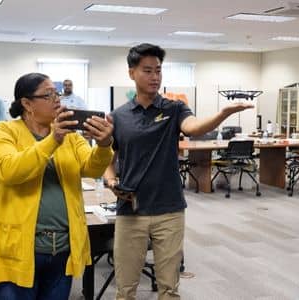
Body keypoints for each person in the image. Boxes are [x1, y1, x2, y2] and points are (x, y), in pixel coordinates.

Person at [103, 43, 253, 300]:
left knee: (169, 288)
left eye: (158, 70)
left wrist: (222, 115)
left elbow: (194, 127)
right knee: (125, 288)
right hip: (131, 210)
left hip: (169, 209)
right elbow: (108, 156)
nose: (155, 77)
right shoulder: (118, 116)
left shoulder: (174, 109)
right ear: (131, 73)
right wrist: (110, 179)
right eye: (147, 70)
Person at [0, 72, 113, 299]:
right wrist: (53, 141)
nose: (57, 99)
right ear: (27, 103)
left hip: (61, 248)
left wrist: (104, 144)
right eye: (48, 95)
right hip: (17, 249)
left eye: (57, 93)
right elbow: (10, 170)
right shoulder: (2, 132)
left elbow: (92, 169)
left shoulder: (69, 136)